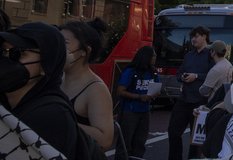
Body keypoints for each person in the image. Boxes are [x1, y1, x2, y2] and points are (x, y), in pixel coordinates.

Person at [0, 22, 81, 159]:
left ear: (45, 66)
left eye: (17, 53)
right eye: (2, 51)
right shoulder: (7, 101)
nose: (5, 59)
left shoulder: (51, 117)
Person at [60, 18, 114, 150]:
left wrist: (59, 122)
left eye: (65, 43)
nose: (57, 47)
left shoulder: (96, 89)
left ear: (85, 50)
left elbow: (105, 140)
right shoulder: (56, 79)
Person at [167, 25, 214, 160]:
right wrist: (182, 77)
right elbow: (179, 72)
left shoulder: (210, 55)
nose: (193, 39)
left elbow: (214, 75)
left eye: (196, 36)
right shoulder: (189, 55)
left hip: (200, 101)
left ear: (204, 37)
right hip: (184, 99)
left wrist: (197, 76)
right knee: (173, 131)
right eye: (193, 37)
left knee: (196, 138)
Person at [115, 46, 159, 160]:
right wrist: (139, 97)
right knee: (125, 143)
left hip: (145, 111)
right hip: (129, 111)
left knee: (140, 142)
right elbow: (120, 91)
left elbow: (157, 88)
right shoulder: (131, 71)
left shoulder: (153, 71)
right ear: (146, 57)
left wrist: (155, 93)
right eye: (153, 55)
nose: (155, 58)